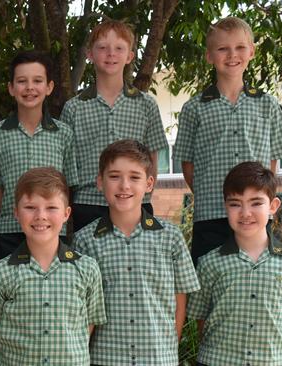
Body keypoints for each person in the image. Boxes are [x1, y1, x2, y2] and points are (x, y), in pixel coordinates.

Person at [173, 17, 282, 265]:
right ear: (209, 56)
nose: (232, 55)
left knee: (256, 277)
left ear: (251, 51)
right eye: (222, 48)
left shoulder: (268, 105)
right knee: (207, 281)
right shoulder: (194, 108)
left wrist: (258, 197)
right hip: (211, 214)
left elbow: (273, 160)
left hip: (256, 216)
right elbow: (187, 164)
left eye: (239, 47)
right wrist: (212, 195)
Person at [73, 140, 199, 365]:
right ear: (100, 182)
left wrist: (170, 345)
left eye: (134, 177)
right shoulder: (84, 241)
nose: (124, 186)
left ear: (149, 183)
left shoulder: (170, 237)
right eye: (114, 176)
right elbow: (81, 306)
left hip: (157, 357)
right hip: (106, 357)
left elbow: (180, 297)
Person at [0, 167, 106, 365]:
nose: (40, 216)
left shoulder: (87, 269)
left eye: (51, 208)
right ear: (16, 213)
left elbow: (88, 325)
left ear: (66, 213)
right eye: (30, 207)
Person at [187, 161, 282, 366]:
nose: (245, 212)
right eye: (235, 204)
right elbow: (201, 319)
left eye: (256, 203)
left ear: (273, 206)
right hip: (217, 361)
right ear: (226, 207)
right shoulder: (209, 263)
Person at [61, 19, 168, 232]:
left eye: (119, 48)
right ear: (89, 54)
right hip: (88, 203)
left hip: (135, 202)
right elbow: (67, 164)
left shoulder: (145, 104)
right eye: (102, 48)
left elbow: (153, 155)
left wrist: (145, 195)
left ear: (129, 56)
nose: (111, 54)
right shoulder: (73, 108)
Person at [0, 50, 79, 260]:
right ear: (11, 88)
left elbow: (68, 186)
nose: (29, 88)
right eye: (21, 81)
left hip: (52, 231)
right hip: (10, 231)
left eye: (37, 81)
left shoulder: (63, 133)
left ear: (49, 87)